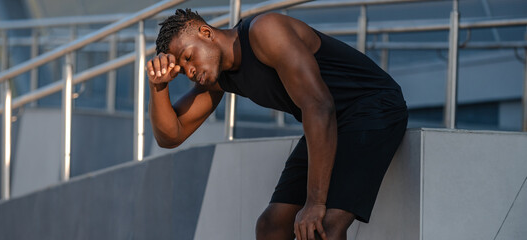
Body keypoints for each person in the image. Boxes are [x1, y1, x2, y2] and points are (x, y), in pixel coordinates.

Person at [147, 8, 408, 240]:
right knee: (271, 226)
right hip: (329, 122)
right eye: (181, 69)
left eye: (189, 57)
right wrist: (158, 86)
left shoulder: (265, 31)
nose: (189, 70)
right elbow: (171, 136)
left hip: (372, 107)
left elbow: (319, 106)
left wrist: (315, 203)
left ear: (205, 32)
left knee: (322, 228)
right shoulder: (217, 77)